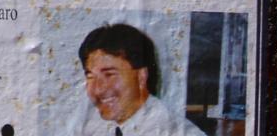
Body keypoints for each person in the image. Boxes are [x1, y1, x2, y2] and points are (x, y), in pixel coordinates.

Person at [67, 23, 207, 136]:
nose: (98, 89)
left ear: (141, 76)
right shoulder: (90, 126)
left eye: (109, 74)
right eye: (90, 76)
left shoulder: (175, 131)